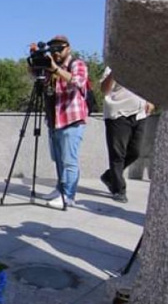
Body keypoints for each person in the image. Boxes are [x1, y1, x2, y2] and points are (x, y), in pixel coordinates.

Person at [42, 35, 89, 209]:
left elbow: (78, 81)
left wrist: (56, 70)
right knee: (59, 160)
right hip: (54, 119)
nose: (56, 53)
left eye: (59, 49)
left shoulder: (77, 63)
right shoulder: (51, 67)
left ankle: (69, 196)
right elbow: (37, 79)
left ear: (68, 48)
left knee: (69, 160)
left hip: (71, 119)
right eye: (52, 49)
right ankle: (60, 189)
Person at [99, 67, 155, 203]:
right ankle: (119, 190)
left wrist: (151, 101)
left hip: (139, 113)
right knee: (117, 154)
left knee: (136, 152)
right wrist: (114, 72)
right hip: (118, 114)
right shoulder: (112, 67)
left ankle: (109, 176)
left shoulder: (141, 65)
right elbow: (104, 89)